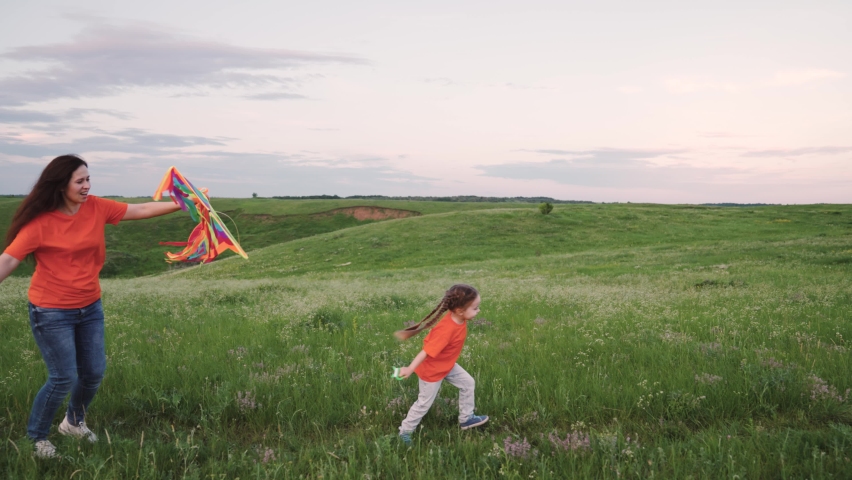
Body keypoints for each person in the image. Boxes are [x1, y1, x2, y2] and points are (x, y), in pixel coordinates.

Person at [0, 154, 182, 459]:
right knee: (63, 377)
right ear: (61, 185)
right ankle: (37, 439)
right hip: (51, 309)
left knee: (94, 372)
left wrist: (185, 203)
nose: (87, 186)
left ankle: (73, 422)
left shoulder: (96, 207)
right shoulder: (40, 223)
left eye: (88, 179)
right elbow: (8, 259)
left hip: (89, 306)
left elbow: (141, 208)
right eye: (80, 181)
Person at [393, 284, 489, 445]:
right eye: (475, 308)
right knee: (424, 404)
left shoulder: (458, 318)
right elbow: (425, 351)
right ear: (459, 310)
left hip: (447, 365)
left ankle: (466, 419)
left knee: (468, 383)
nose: (478, 311)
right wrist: (410, 368)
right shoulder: (446, 330)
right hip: (432, 372)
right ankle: (404, 432)